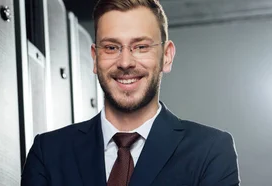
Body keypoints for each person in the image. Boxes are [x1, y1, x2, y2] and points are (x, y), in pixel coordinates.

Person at [20, 0, 240, 185]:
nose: (125, 62)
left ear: (167, 56)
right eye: (111, 48)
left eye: (141, 47)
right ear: (95, 59)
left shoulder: (210, 150)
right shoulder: (48, 152)